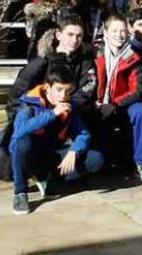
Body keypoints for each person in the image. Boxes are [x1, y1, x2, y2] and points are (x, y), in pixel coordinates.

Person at [10, 67, 104, 215]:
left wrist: (74, 151)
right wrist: (52, 113)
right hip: (29, 157)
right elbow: (19, 131)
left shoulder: (69, 106)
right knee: (22, 142)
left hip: (50, 155)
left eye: (68, 91)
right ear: (48, 88)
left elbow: (83, 134)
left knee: (96, 158)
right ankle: (20, 192)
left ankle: (46, 178)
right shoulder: (29, 104)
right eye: (59, 90)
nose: (63, 95)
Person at [92, 15, 142, 182]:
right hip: (97, 104)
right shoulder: (94, 54)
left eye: (122, 30)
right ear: (105, 32)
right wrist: (97, 103)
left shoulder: (134, 57)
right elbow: (87, 83)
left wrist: (115, 104)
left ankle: (141, 162)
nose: (119, 35)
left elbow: (139, 90)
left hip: (121, 104)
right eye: (114, 30)